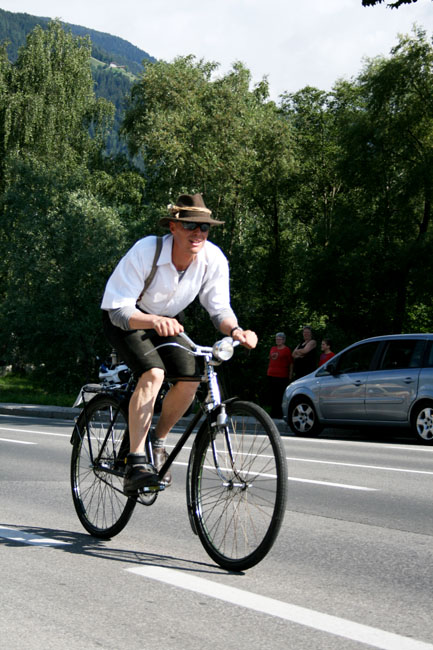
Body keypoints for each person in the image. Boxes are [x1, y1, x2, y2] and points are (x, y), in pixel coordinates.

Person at [101, 193, 258, 495]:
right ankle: (135, 462)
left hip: (168, 319)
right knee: (154, 374)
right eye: (190, 226)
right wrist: (152, 320)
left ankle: (156, 443)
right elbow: (119, 310)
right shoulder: (147, 250)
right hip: (127, 317)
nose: (198, 233)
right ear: (173, 226)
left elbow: (219, 309)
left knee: (190, 378)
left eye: (205, 228)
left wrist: (236, 330)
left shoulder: (213, 259)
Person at [266, 332, 293, 419]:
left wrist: (290, 375)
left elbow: (291, 363)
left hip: (282, 376)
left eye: (280, 339)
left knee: (280, 396)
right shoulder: (273, 348)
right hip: (271, 374)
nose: (278, 340)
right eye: (277, 339)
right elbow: (270, 358)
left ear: (284, 340)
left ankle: (280, 414)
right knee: (272, 395)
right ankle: (273, 413)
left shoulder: (287, 350)